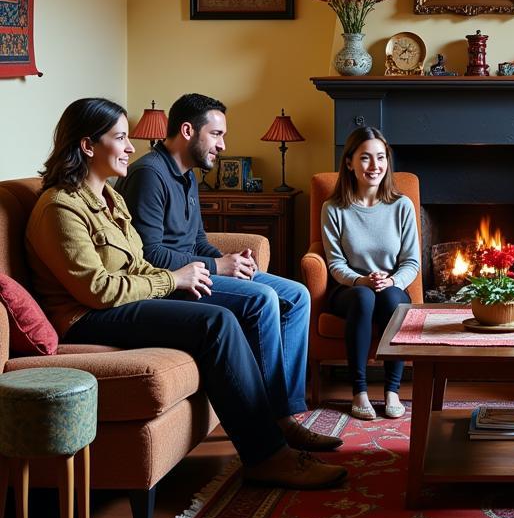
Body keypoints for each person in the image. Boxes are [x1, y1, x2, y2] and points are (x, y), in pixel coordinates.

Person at [25, 98, 347, 489]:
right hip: (87, 315)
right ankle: (267, 455)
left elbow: (139, 259)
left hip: (127, 299)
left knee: (235, 312)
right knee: (217, 321)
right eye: (121, 138)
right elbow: (97, 289)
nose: (130, 147)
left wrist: (195, 269)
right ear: (88, 145)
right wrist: (173, 280)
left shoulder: (110, 200)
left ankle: (273, 437)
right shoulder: (60, 207)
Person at [119, 93, 338, 454]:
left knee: (296, 296)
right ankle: (278, 421)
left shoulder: (187, 175)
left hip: (200, 272)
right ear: (188, 130)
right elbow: (147, 254)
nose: (223, 145)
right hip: (172, 284)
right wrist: (216, 267)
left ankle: (289, 411)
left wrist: (232, 259)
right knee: (263, 298)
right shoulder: (149, 176)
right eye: (217, 134)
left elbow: (197, 241)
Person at [321, 127, 420, 421]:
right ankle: (359, 391)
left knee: (393, 300)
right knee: (363, 298)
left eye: (380, 157)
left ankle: (392, 391)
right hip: (348, 288)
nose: (375, 166)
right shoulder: (334, 208)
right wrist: (360, 279)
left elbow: (411, 261)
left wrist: (393, 280)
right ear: (349, 162)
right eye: (365, 158)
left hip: (390, 283)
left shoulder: (401, 206)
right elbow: (335, 263)